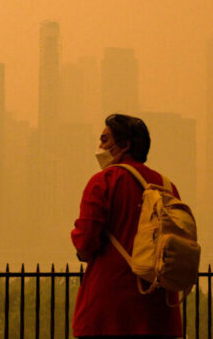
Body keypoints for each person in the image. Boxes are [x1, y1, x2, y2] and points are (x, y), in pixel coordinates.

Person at [71, 114, 182, 338]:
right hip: (159, 308)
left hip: (110, 307)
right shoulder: (167, 187)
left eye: (104, 140)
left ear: (124, 145)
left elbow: (85, 241)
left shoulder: (104, 181)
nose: (100, 146)